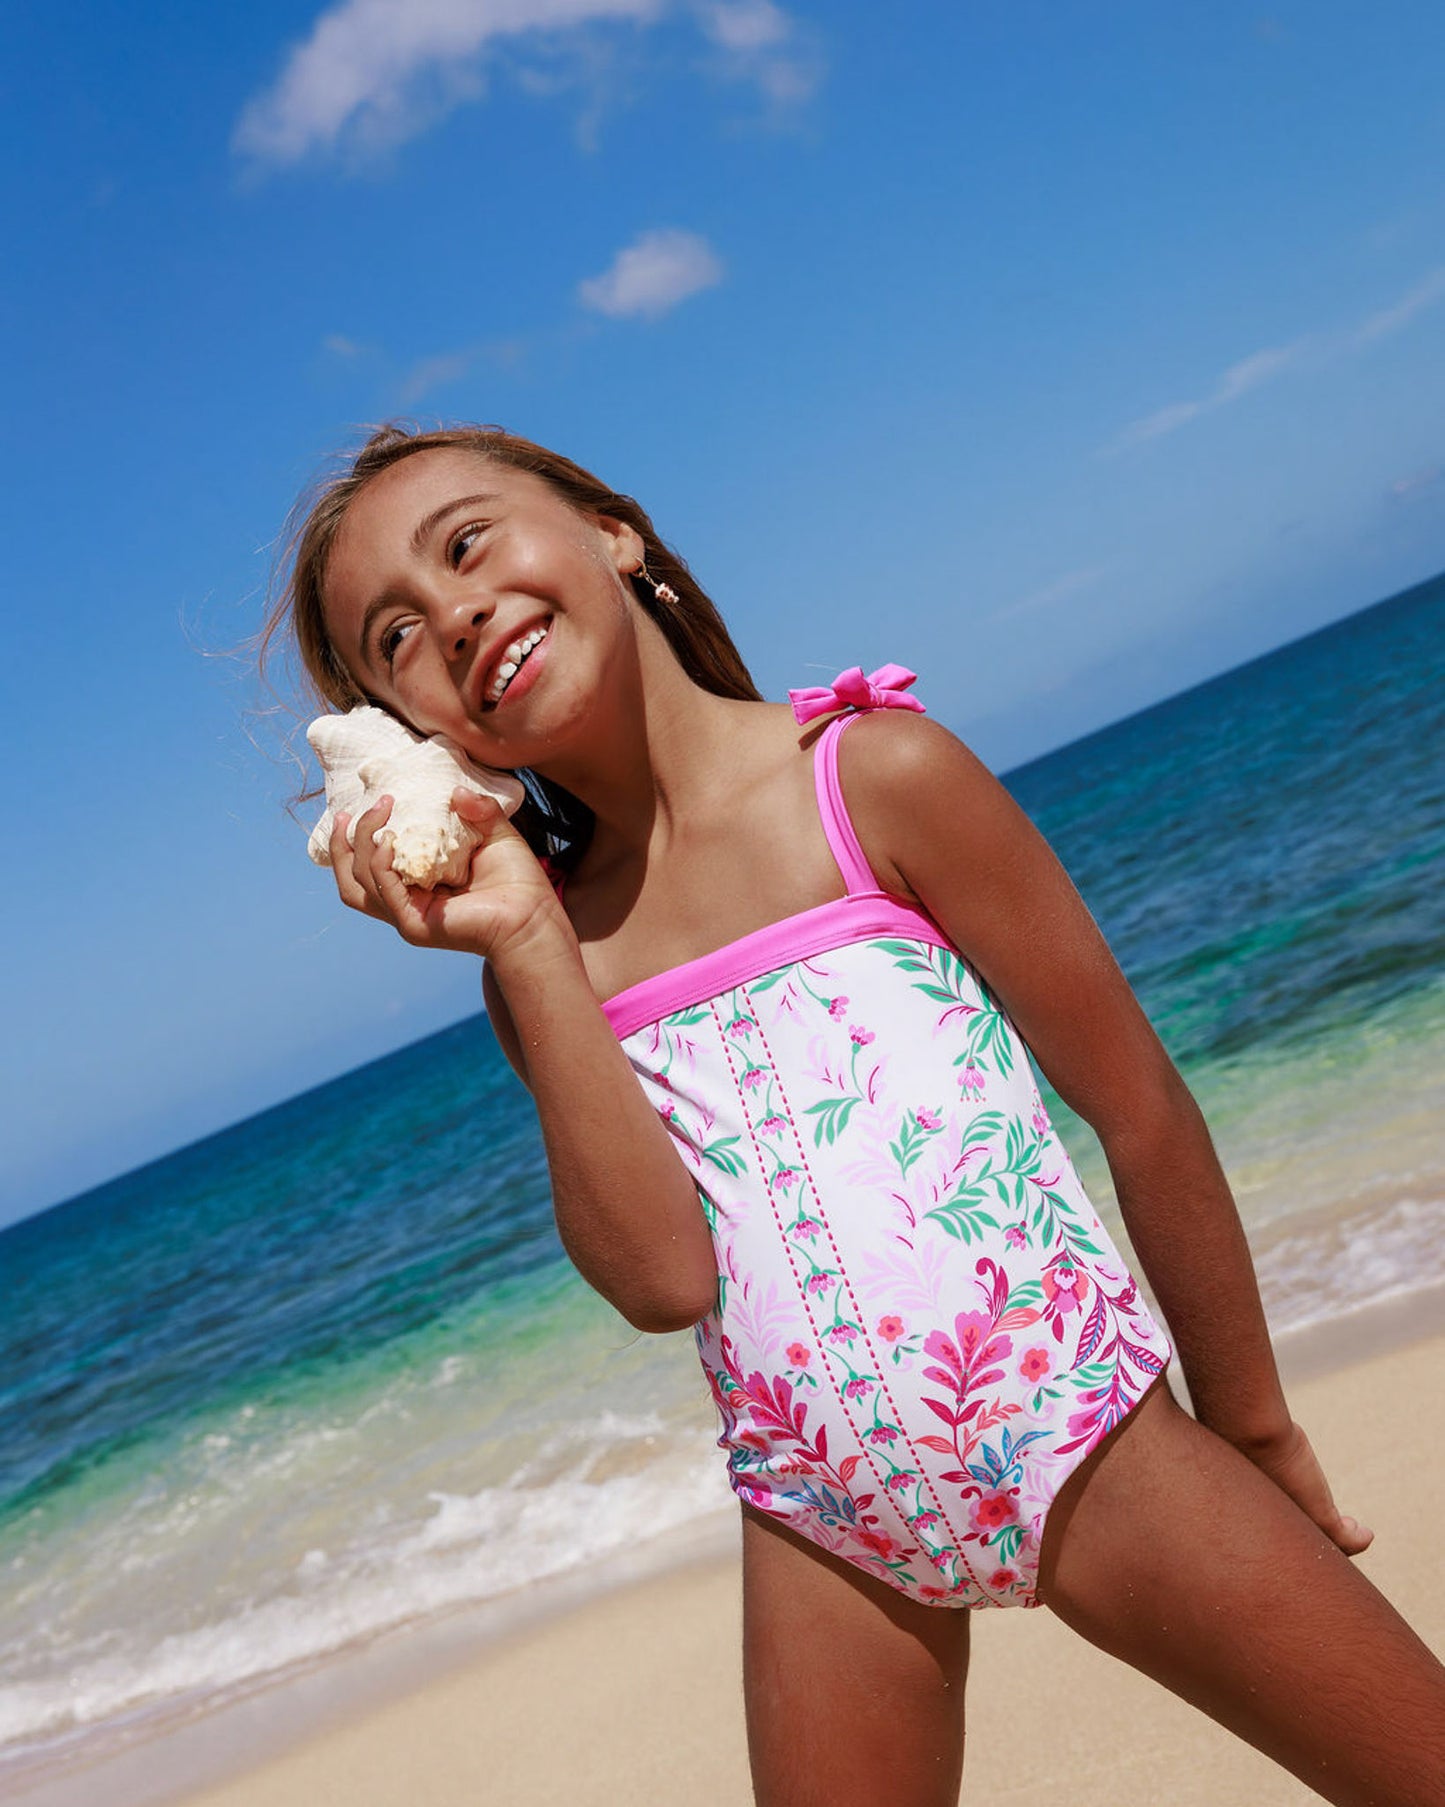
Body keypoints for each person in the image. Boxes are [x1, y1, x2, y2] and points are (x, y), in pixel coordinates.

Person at [268, 422, 1445, 1807]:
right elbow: (660, 1282)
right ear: (414, 734)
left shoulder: (872, 776)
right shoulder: (546, 960)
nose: (454, 617)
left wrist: (1251, 1432)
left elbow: (1139, 1112)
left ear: (610, 532)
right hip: (824, 1534)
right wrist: (523, 938)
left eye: (467, 544)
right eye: (397, 637)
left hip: (1090, 1442)